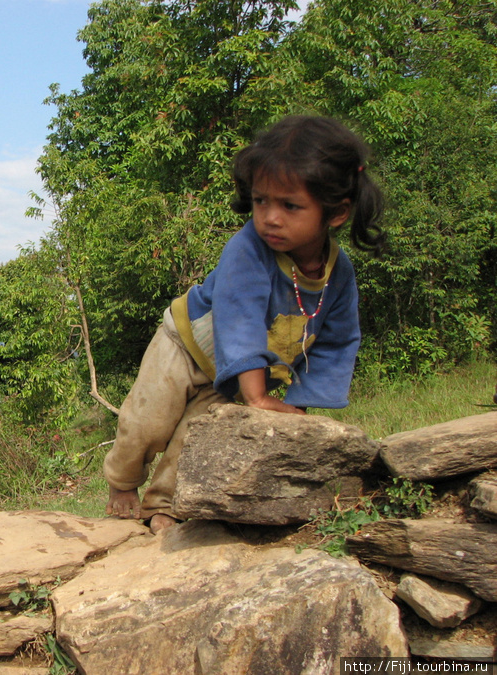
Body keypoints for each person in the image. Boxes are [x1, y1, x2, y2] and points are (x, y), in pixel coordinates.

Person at [104, 115, 385, 534]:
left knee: (193, 439)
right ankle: (123, 485)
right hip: (184, 345)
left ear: (337, 212)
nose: (270, 217)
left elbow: (336, 342)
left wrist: (300, 404)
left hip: (234, 375)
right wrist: (257, 398)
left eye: (290, 206)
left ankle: (163, 507)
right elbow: (240, 318)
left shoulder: (338, 274)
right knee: (146, 424)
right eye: (260, 201)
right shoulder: (247, 249)